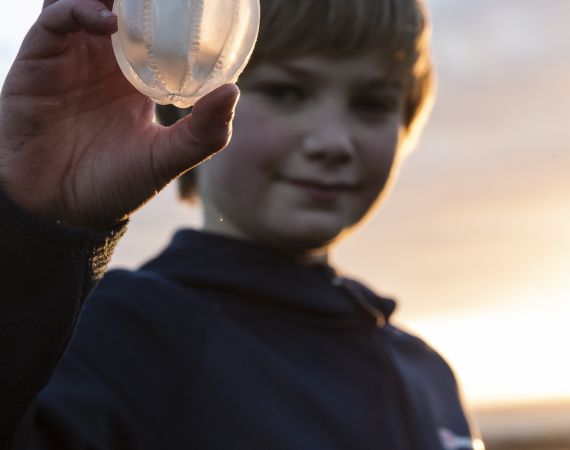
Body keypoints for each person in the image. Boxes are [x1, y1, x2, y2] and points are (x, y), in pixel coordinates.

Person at [0, 0, 484, 449]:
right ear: (188, 92)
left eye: (372, 103)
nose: (334, 141)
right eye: (286, 91)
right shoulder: (116, 335)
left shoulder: (428, 373)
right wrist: (36, 225)